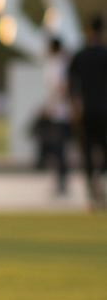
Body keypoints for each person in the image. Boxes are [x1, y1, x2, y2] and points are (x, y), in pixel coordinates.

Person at [69, 15, 107, 209]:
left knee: (87, 153)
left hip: (85, 111)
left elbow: (71, 85)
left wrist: (75, 106)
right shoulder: (104, 54)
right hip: (103, 111)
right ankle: (99, 187)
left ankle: (93, 192)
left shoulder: (80, 55)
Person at [41, 37, 72, 194]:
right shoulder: (63, 63)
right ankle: (61, 181)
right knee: (61, 149)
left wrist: (50, 105)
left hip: (59, 113)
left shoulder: (55, 65)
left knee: (59, 149)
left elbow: (59, 87)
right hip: (63, 112)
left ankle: (61, 183)